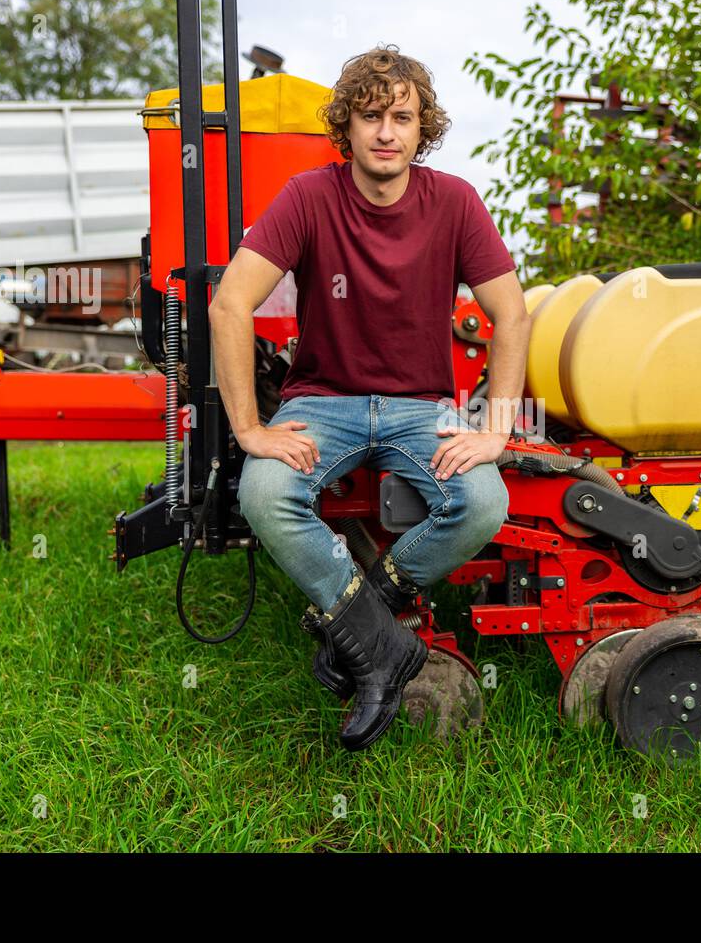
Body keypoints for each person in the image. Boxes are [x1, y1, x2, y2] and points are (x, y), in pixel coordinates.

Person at [210, 45, 530, 752]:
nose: (386, 131)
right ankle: (383, 646)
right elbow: (230, 303)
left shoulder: (454, 201)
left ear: (423, 130)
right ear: (346, 127)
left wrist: (496, 430)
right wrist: (249, 427)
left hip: (422, 407)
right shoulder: (307, 196)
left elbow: (513, 312)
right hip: (323, 399)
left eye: (402, 117)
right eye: (371, 116)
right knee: (263, 491)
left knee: (484, 501)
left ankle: (362, 622)